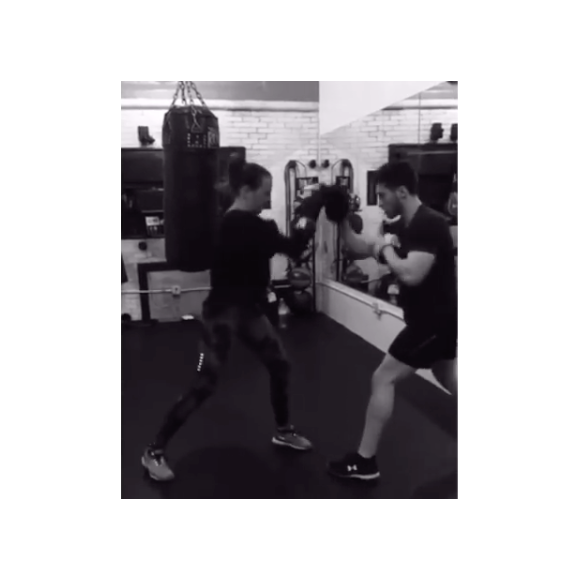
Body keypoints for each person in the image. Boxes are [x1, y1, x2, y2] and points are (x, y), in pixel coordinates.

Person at [143, 158, 319, 482]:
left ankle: (283, 430)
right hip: (221, 316)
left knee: (280, 365)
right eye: (264, 193)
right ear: (246, 190)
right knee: (202, 380)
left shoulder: (248, 224)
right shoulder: (241, 224)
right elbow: (294, 247)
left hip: (249, 313)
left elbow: (284, 247)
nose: (268, 200)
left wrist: (301, 219)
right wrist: (311, 210)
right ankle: (153, 451)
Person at [328, 162, 458, 482]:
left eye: (383, 194)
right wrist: (341, 218)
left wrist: (385, 246)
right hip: (434, 321)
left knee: (382, 378)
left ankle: (365, 461)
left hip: (432, 323)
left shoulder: (429, 223)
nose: (379, 200)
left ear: (402, 191)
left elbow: (412, 274)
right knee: (446, 375)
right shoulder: (404, 225)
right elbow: (361, 248)